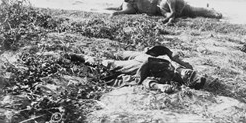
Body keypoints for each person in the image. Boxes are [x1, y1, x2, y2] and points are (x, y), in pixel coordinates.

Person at [66, 46, 206, 93]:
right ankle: (106, 53)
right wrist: (174, 57)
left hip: (139, 66)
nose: (189, 73)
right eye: (193, 73)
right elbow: (171, 54)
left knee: (110, 64)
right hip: (144, 56)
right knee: (119, 53)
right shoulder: (186, 67)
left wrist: (160, 87)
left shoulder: (168, 78)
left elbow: (148, 82)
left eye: (190, 76)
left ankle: (82, 57)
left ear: (185, 82)